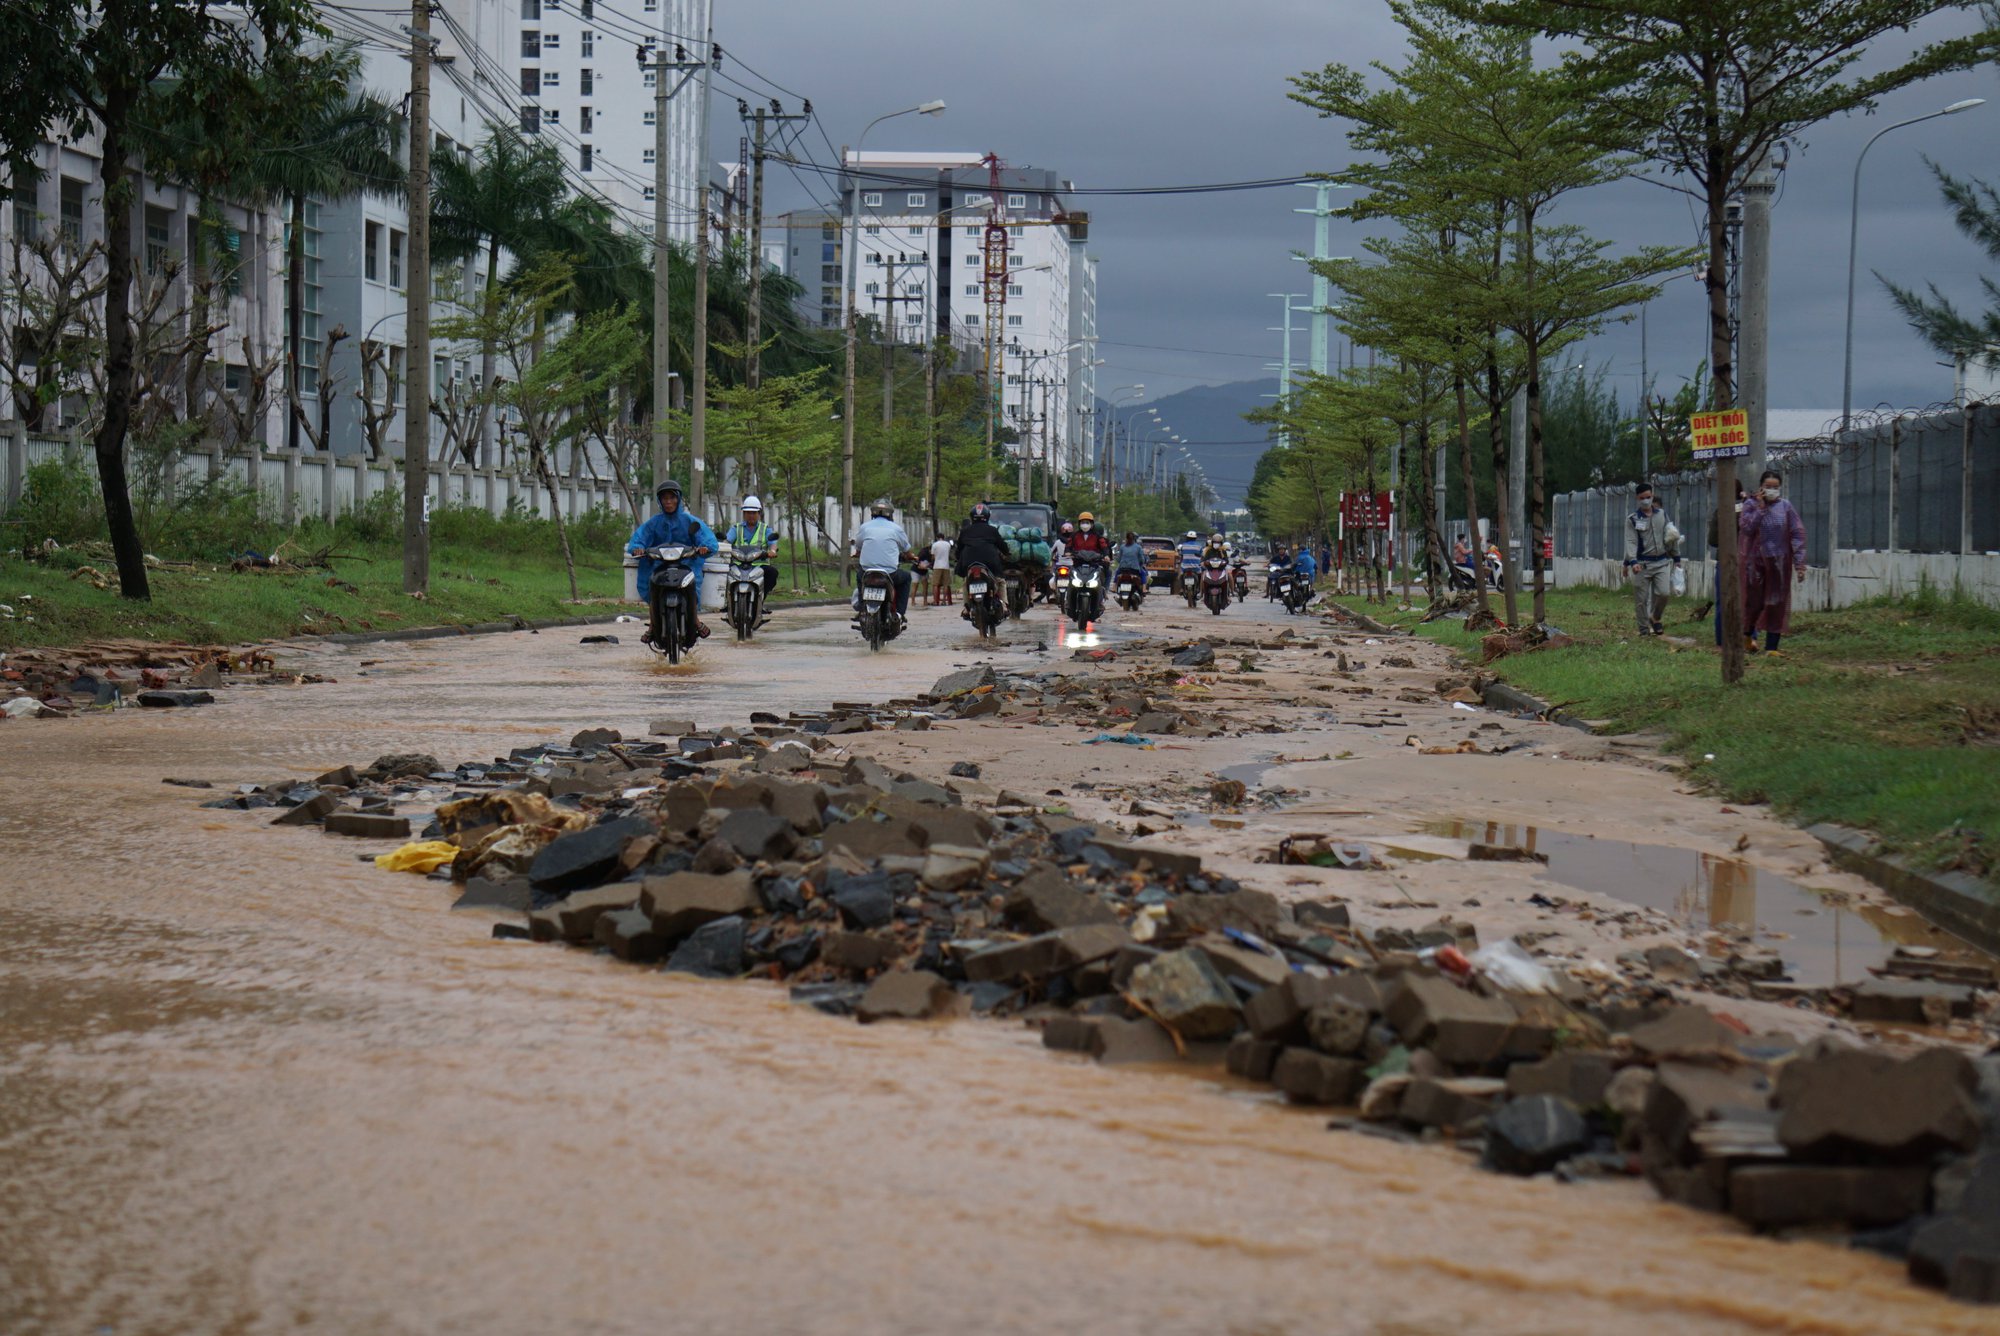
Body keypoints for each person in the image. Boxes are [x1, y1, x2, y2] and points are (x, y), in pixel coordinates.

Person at [627, 479, 717, 642]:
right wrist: (638, 548)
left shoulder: (690, 521)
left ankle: (695, 620)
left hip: (686, 565)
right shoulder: (653, 523)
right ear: (660, 501)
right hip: (659, 565)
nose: (668, 502)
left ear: (678, 499)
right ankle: (653, 625)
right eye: (665, 498)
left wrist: (703, 547)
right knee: (652, 585)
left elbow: (707, 539)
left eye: (672, 498)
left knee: (693, 585)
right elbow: (639, 539)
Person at [1738, 468, 1808, 657]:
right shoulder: (1750, 505)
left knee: (1776, 602)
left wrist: (1799, 564)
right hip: (1755, 562)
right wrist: (1760, 508)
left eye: (1775, 487)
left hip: (1779, 561)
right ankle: (1747, 636)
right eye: (1768, 486)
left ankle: (1772, 647)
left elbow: (1797, 533)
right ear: (1761, 487)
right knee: (1754, 602)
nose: (1771, 490)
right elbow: (1747, 528)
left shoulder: (1785, 507)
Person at [1622, 481, 1683, 636]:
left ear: (1652, 495)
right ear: (1637, 498)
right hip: (1642, 564)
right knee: (1641, 600)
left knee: (1663, 593)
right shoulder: (1632, 519)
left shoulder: (1662, 515)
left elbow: (1671, 535)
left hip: (1662, 561)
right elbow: (1631, 541)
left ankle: (1655, 617)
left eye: (1648, 497)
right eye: (1642, 498)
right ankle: (1643, 630)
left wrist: (1676, 558)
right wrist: (1631, 562)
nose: (1646, 500)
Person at [851, 498, 914, 621]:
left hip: (867, 571)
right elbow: (907, 550)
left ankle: (862, 609)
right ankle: (900, 614)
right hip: (890, 573)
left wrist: (857, 553)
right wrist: (911, 556)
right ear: (890, 514)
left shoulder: (865, 527)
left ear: (872, 513)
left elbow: (858, 548)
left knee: (860, 577)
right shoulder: (896, 529)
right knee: (906, 578)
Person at [954, 501, 1011, 621]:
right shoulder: (992, 530)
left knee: (966, 583)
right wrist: (1007, 553)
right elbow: (1002, 546)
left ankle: (966, 608)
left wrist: (958, 558)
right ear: (987, 516)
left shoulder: (965, 531)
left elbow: (959, 549)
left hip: (968, 562)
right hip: (990, 562)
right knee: (1000, 581)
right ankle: (1005, 606)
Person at [722, 494, 778, 609]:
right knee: (722, 572)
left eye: (754, 513)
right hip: (739, 564)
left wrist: (772, 551)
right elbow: (727, 541)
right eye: (748, 512)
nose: (751, 515)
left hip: (759, 565)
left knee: (772, 573)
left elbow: (773, 543)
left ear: (759, 514)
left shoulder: (766, 529)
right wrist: (723, 547)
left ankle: (760, 600)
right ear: (743, 514)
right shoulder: (736, 528)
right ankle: (728, 601)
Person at [928, 531, 953, 606]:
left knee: (935, 584)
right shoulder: (948, 544)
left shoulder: (935, 545)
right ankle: (944, 601)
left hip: (937, 566)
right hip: (946, 566)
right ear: (943, 537)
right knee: (946, 584)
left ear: (937, 538)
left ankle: (936, 601)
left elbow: (933, 557)